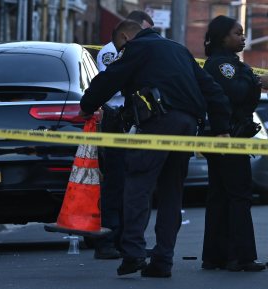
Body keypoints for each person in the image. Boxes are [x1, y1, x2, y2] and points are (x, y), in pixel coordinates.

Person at [79, 19, 231, 278]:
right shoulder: (179, 50)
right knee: (172, 192)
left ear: (126, 38)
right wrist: (221, 126)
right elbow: (212, 89)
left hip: (158, 122)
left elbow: (110, 79)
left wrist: (86, 106)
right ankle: (163, 260)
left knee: (138, 184)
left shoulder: (137, 49)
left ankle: (133, 253)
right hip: (187, 124)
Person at [201, 15, 266, 272]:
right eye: (237, 33)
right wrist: (254, 81)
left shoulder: (227, 64)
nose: (243, 37)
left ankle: (215, 256)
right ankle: (241, 257)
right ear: (222, 37)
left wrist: (250, 78)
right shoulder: (221, 66)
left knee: (220, 195)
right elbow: (237, 93)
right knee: (238, 195)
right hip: (229, 137)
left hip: (226, 136)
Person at [93, 10, 154, 260]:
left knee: (137, 184)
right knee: (116, 183)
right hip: (117, 119)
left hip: (137, 119)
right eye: (145, 30)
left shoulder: (142, 49)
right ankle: (108, 239)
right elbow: (115, 82)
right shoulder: (111, 51)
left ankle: (129, 240)